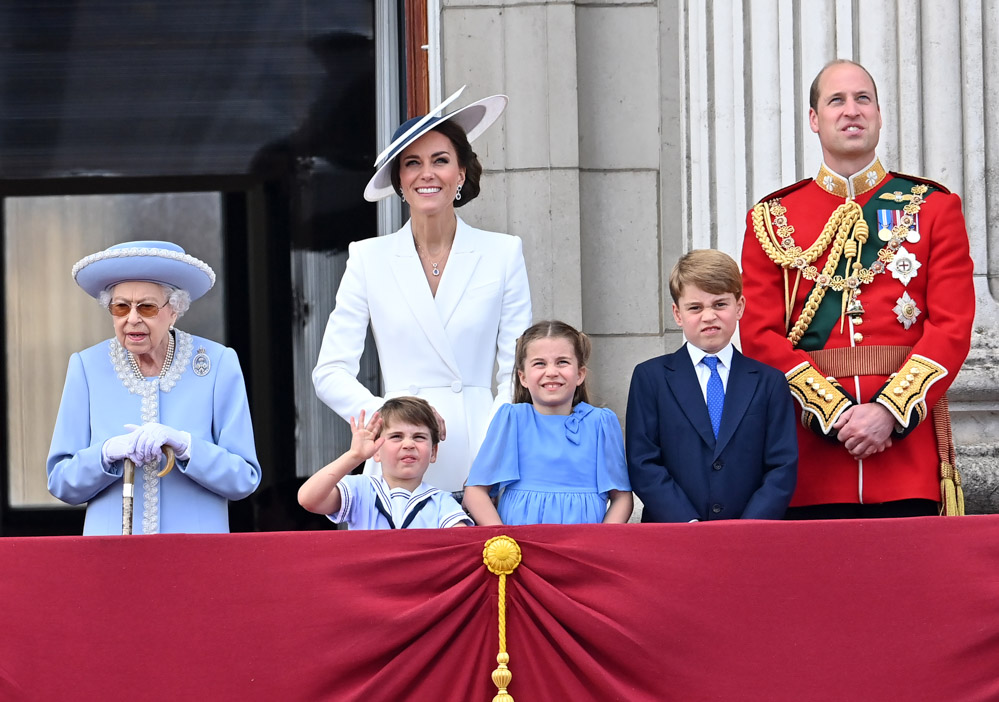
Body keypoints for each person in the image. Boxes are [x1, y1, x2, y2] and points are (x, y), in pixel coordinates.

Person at [739, 59, 975, 518]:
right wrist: (835, 414)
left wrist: (888, 411)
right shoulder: (772, 219)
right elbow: (760, 337)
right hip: (811, 463)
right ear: (815, 119)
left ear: (879, 115)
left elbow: (951, 327)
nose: (852, 111)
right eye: (837, 100)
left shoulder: (932, 208)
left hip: (906, 459)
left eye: (863, 98)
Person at [313, 87, 532, 496]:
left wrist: (494, 445)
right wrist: (390, 418)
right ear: (399, 180)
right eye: (412, 163)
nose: (426, 173)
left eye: (441, 160)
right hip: (399, 456)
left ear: (462, 174)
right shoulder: (367, 257)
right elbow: (330, 372)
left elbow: (515, 372)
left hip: (480, 457)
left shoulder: (503, 253)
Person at [47, 241, 262, 534]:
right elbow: (61, 482)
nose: (132, 318)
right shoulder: (87, 367)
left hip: (196, 557)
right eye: (121, 307)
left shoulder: (218, 364)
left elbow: (244, 480)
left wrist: (186, 446)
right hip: (112, 559)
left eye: (146, 307)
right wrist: (106, 453)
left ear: (174, 311)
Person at [626, 250, 797, 522]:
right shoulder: (651, 378)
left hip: (750, 535)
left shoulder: (769, 381)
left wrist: (748, 526)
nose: (708, 316)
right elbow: (643, 461)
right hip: (673, 534)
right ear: (677, 313)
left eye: (720, 304)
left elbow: (782, 465)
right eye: (695, 307)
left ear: (739, 306)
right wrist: (687, 523)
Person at [463, 321, 633, 525]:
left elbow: (622, 497)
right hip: (521, 547)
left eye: (562, 362)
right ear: (523, 377)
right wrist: (503, 541)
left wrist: (600, 543)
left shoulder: (601, 423)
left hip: (583, 546)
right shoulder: (512, 419)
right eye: (540, 363)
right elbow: (475, 492)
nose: (551, 371)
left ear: (580, 374)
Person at [298, 397, 471, 529]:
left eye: (419, 437)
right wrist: (354, 456)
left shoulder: (441, 502)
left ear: (433, 452)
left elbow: (460, 544)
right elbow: (309, 499)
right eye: (396, 436)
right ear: (377, 450)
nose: (409, 444)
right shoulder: (360, 490)